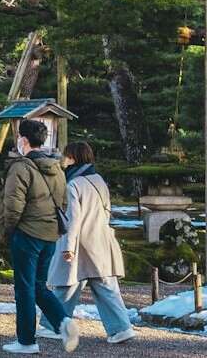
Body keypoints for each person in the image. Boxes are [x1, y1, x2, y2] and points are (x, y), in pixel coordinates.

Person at [0, 119, 78, 354]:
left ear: (23, 140)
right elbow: (63, 202)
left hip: (27, 233)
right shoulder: (57, 168)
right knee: (39, 286)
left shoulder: (21, 167)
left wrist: (8, 231)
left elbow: (12, 205)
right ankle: (64, 322)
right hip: (50, 235)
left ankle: (26, 341)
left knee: (24, 289)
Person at [51, 142, 135, 345]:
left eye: (67, 156)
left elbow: (73, 219)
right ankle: (121, 327)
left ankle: (53, 325)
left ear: (74, 158)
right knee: (106, 286)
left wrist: (68, 247)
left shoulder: (73, 184)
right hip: (101, 240)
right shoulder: (99, 180)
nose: (64, 159)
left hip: (81, 242)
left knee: (66, 285)